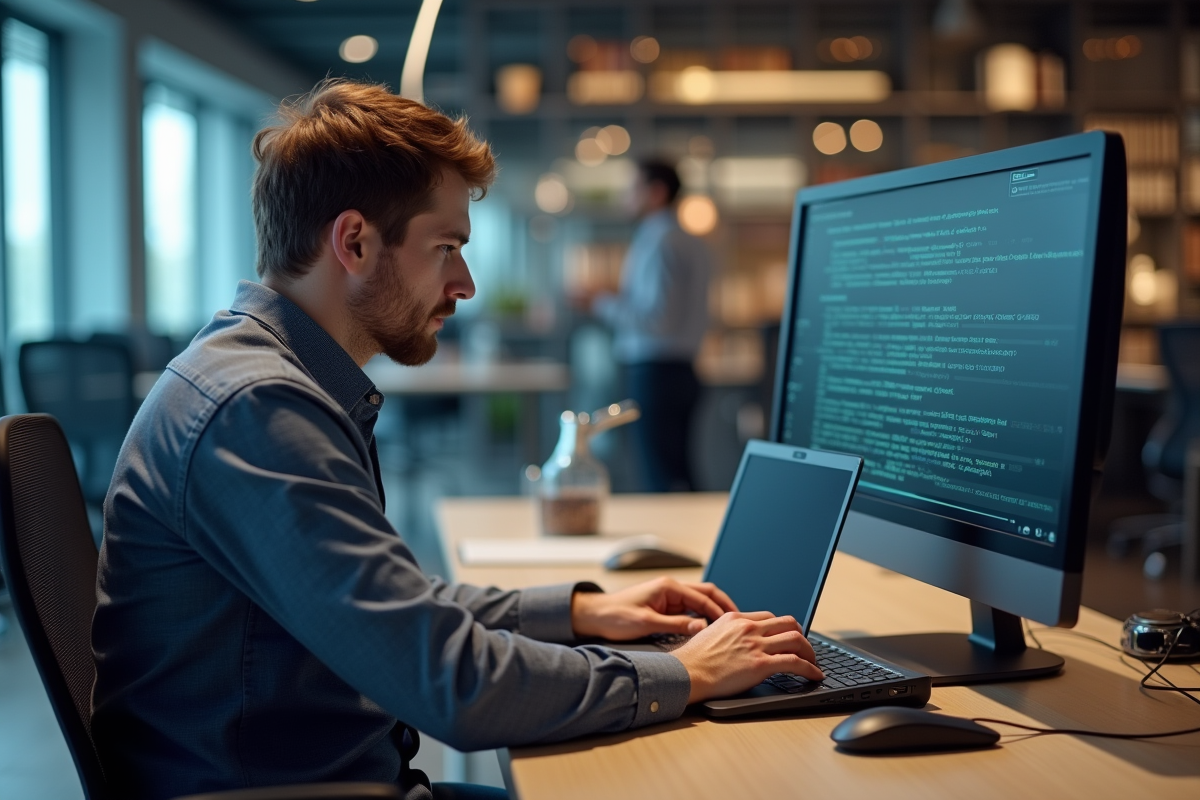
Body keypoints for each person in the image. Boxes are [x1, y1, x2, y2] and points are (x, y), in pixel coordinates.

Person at [92, 80, 821, 800]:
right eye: (446, 248)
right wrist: (687, 672)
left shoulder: (266, 377)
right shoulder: (258, 410)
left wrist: (579, 611)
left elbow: (393, 609)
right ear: (353, 241)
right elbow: (451, 684)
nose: (465, 282)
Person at [591, 160, 713, 492]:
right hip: (678, 370)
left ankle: (670, 543)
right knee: (675, 474)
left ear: (657, 192)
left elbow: (657, 320)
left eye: (633, 188)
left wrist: (600, 302)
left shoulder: (661, 242)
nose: (626, 197)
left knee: (660, 479)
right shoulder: (686, 240)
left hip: (658, 372)